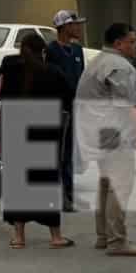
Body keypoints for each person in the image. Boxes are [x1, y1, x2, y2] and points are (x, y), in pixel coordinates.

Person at [76, 22, 136, 257]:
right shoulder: (118, 67)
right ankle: (117, 241)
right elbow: (129, 106)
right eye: (132, 41)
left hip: (97, 132)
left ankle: (103, 236)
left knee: (107, 184)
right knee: (119, 185)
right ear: (118, 43)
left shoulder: (98, 61)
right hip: (115, 134)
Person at [0, 30, 72, 250]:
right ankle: (56, 236)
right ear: (43, 52)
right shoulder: (52, 72)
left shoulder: (9, 67)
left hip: (14, 132)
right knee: (46, 182)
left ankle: (19, 236)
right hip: (44, 133)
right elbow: (68, 97)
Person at [45, 11, 88, 212]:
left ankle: (68, 194)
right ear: (64, 27)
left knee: (70, 152)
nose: (78, 28)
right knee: (59, 153)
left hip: (75, 108)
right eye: (75, 24)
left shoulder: (78, 50)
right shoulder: (51, 50)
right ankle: (58, 195)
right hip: (58, 109)